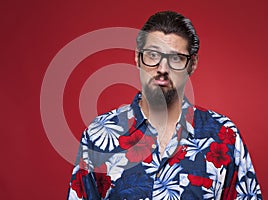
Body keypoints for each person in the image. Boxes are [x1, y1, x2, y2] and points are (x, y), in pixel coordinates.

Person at [67, 11, 262, 199]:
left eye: (176, 58)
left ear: (192, 64)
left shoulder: (224, 137)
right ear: (137, 58)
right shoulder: (98, 136)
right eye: (152, 55)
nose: (162, 69)